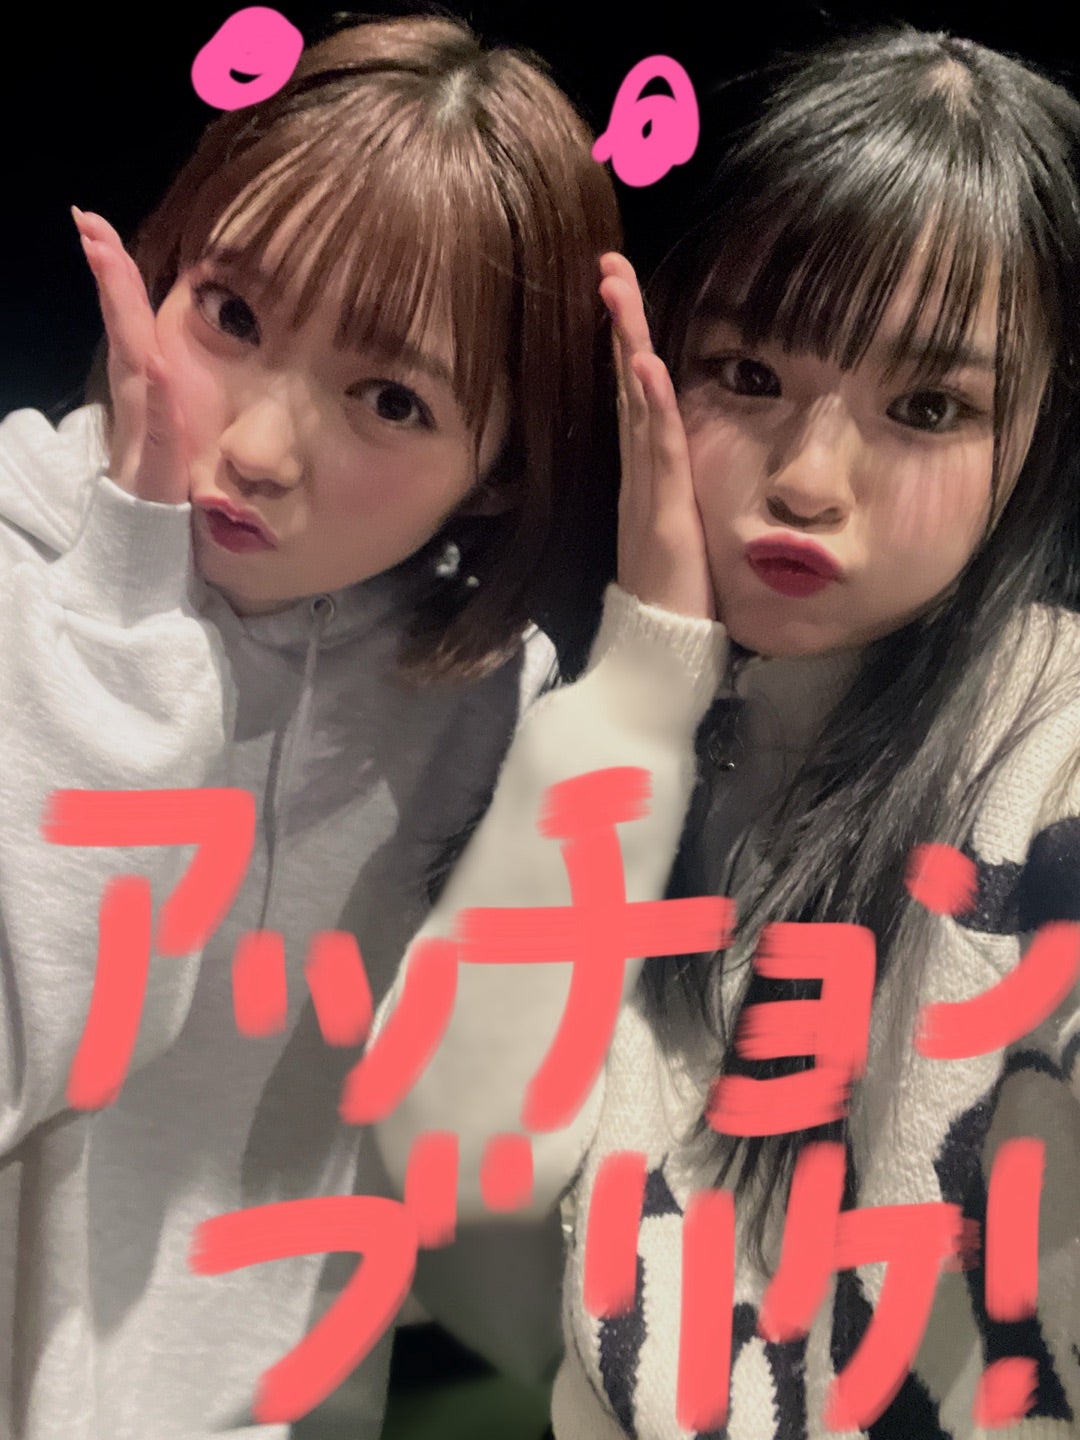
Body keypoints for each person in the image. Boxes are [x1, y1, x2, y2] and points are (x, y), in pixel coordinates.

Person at [375, 27, 1080, 1440]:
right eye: (748, 375)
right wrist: (647, 680)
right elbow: (452, 1159)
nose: (809, 479)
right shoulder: (596, 707)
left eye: (928, 407)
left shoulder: (1048, 755)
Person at [0, 14, 620, 1438]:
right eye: (230, 315)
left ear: (499, 470)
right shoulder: (18, 577)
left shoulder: (488, 703)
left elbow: (498, 1162)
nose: (259, 448)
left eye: (390, 399)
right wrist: (119, 609)